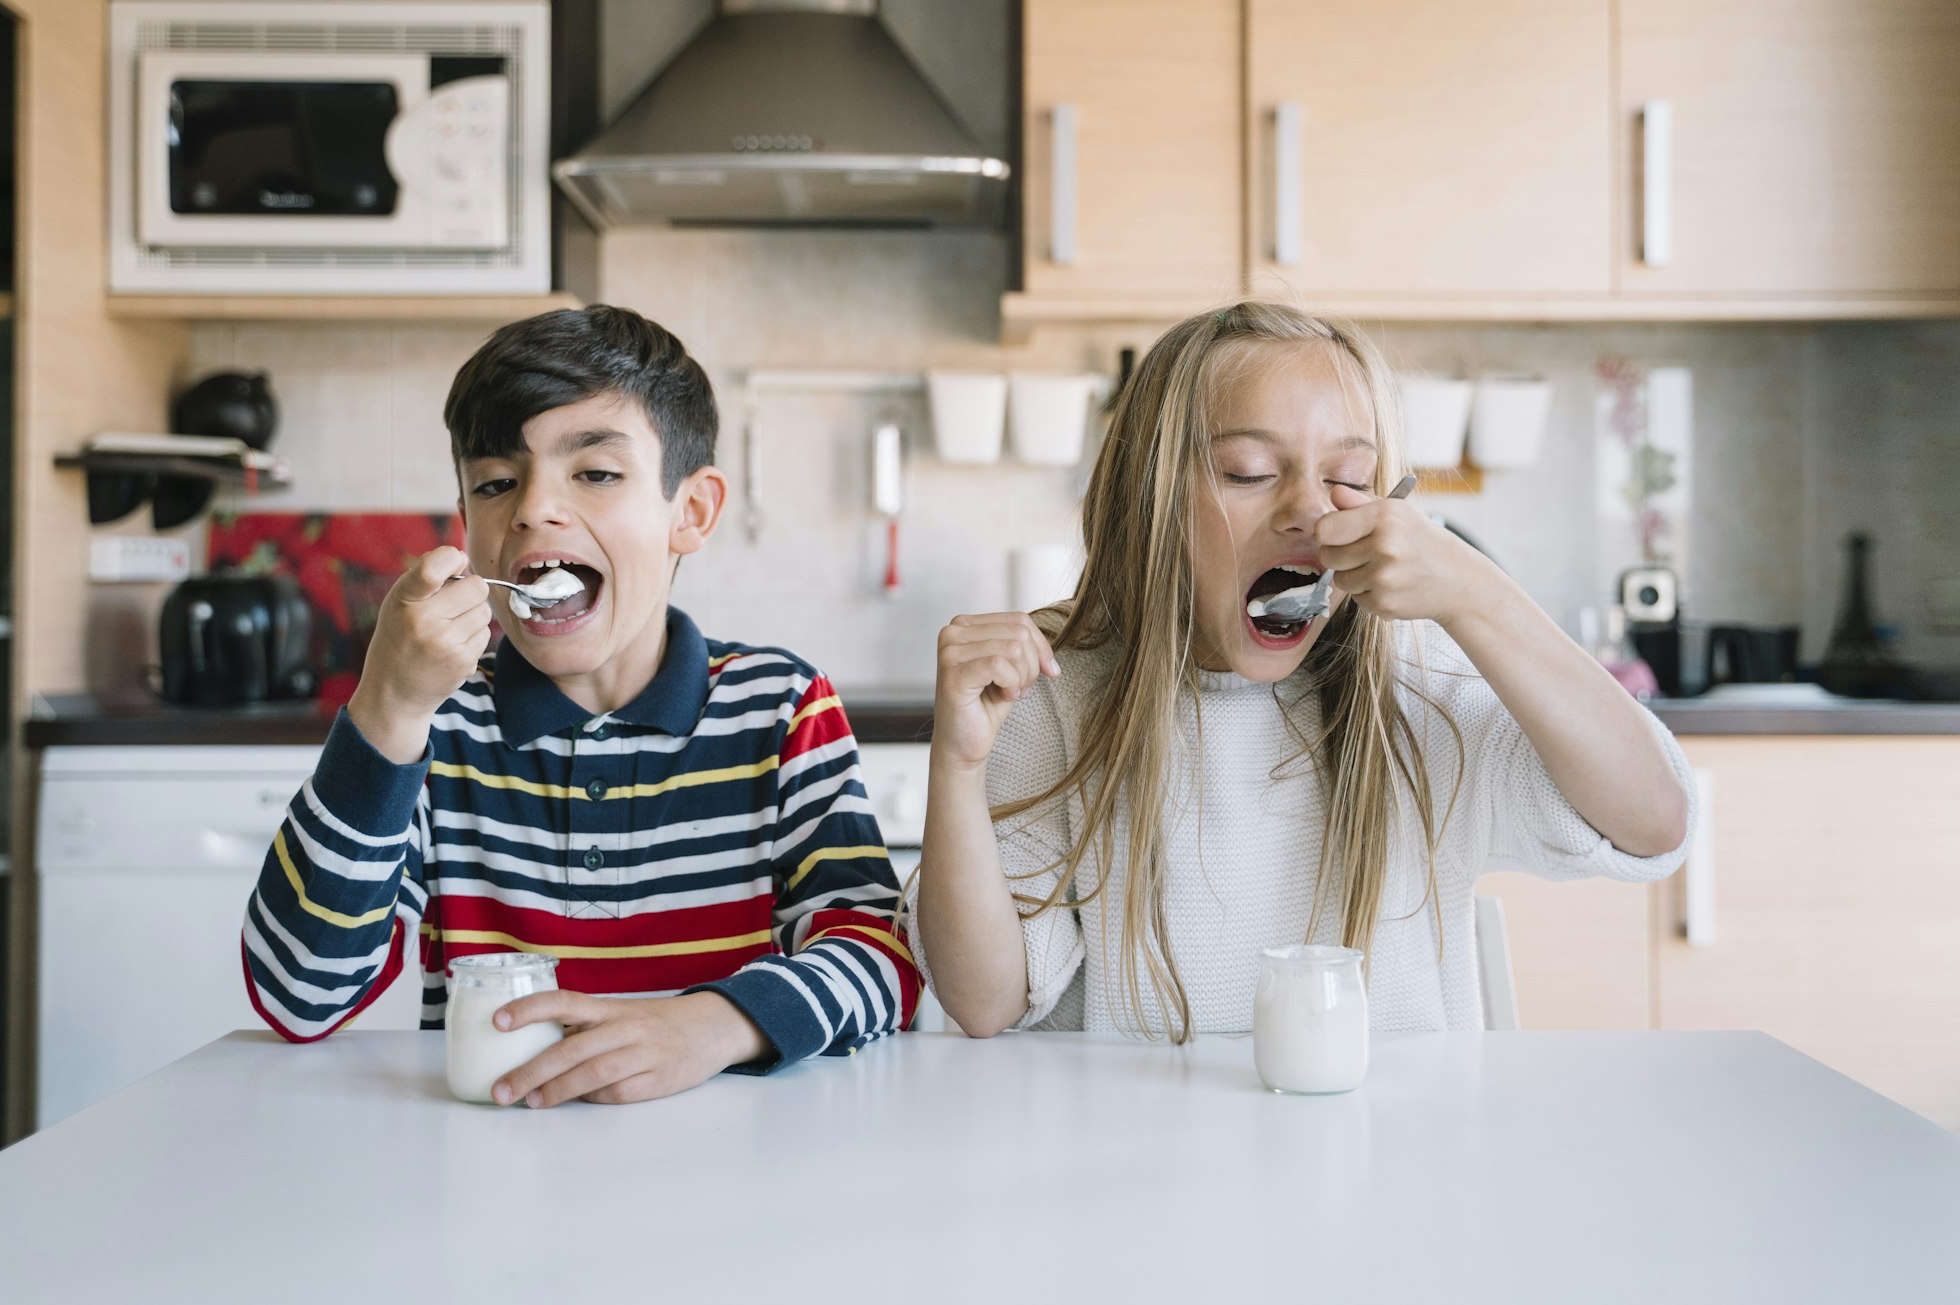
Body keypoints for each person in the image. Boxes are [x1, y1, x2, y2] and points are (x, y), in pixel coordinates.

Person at [911, 301, 1693, 1040]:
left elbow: (1654, 820)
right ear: (1152, 504)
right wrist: (958, 763)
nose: (1310, 510)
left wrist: (1479, 596)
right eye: (1249, 471)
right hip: (1140, 1163)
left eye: (1349, 478)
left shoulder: (1422, 687)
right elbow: (983, 1001)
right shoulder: (1059, 698)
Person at [242, 306, 917, 1104]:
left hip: (734, 1167)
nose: (532, 508)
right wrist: (387, 706)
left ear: (690, 512)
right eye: (496, 483)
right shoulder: (442, 726)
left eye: (595, 473)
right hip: (490, 1160)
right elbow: (298, 994)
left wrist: (710, 1024)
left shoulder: (778, 709)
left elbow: (882, 959)